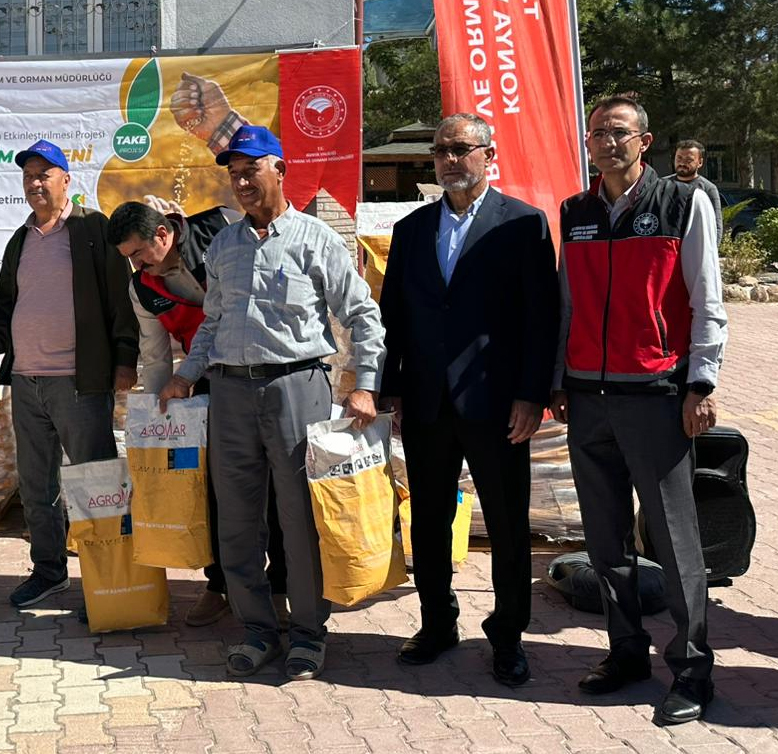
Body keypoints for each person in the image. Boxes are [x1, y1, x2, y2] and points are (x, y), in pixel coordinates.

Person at [158, 126, 385, 681]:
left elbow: (362, 314)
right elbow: (212, 321)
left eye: (251, 171)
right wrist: (185, 376)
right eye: (234, 174)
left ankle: (307, 632)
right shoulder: (224, 245)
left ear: (279, 170)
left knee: (299, 519)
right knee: (236, 519)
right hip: (230, 393)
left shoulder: (315, 239)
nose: (241, 182)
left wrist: (365, 383)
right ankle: (257, 629)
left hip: (296, 388)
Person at [550, 95, 727, 725]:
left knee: (675, 542)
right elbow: (567, 303)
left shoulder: (683, 203)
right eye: (597, 132)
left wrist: (701, 383)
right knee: (605, 542)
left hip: (656, 395)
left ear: (644, 141)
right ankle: (626, 653)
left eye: (619, 132)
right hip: (587, 399)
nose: (607, 141)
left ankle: (693, 669)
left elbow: (707, 298)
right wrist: (558, 380)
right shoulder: (575, 212)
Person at [379, 113, 559, 686]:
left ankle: (507, 635)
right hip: (427, 403)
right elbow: (393, 316)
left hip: (498, 405)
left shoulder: (523, 224)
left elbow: (541, 317)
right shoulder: (412, 229)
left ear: (488, 154)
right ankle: (438, 624)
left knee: (507, 525)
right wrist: (391, 388)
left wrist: (531, 395)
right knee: (429, 521)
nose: (450, 160)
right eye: (441, 151)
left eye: (461, 149)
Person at [0, 139, 139, 609]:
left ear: (66, 180)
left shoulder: (92, 228)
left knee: (96, 483)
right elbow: (5, 307)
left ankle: (109, 583)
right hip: (27, 381)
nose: (35, 183)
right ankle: (48, 572)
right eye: (28, 176)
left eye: (44, 174)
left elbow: (120, 300)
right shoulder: (21, 239)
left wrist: (125, 360)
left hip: (79, 383)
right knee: (37, 486)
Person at [105, 201, 290, 628]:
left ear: (163, 234)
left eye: (138, 254)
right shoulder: (142, 287)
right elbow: (155, 356)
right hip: (205, 384)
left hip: (267, 372)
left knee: (277, 487)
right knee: (213, 489)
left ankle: (282, 585)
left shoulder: (220, 228)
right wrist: (158, 417)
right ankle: (220, 584)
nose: (136, 265)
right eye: (128, 258)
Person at [671, 139, 724, 243]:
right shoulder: (662, 185)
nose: (682, 163)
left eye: (689, 160)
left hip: (695, 244)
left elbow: (716, 225)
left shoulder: (708, 188)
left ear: (700, 162)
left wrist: (712, 249)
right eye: (679, 158)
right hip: (669, 245)